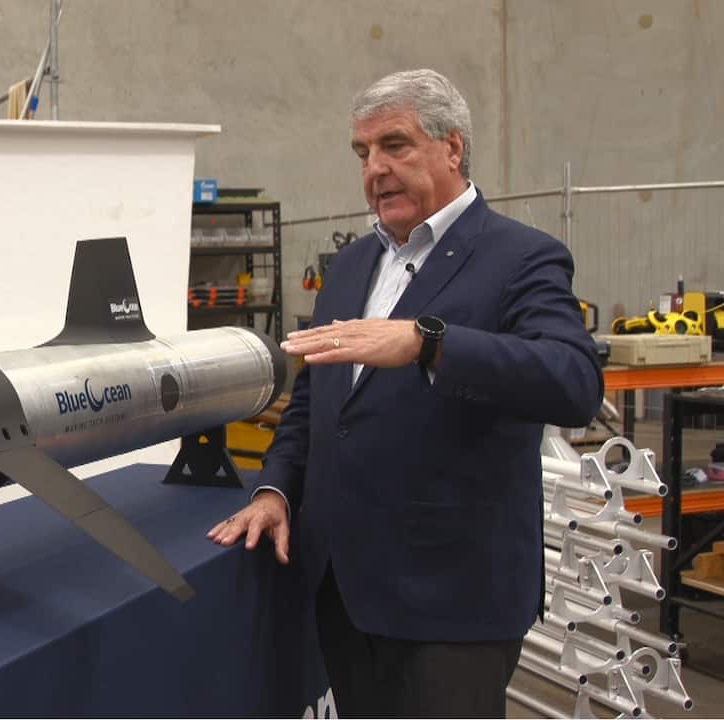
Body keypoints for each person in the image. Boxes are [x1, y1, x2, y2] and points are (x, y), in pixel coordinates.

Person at [207, 69, 603, 718]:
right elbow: (317, 406)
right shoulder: (352, 267)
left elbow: (575, 384)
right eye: (364, 153)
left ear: (453, 148)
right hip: (345, 587)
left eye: (396, 145)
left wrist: (430, 343)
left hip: (452, 598)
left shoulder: (522, 258)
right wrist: (277, 489)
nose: (376, 168)